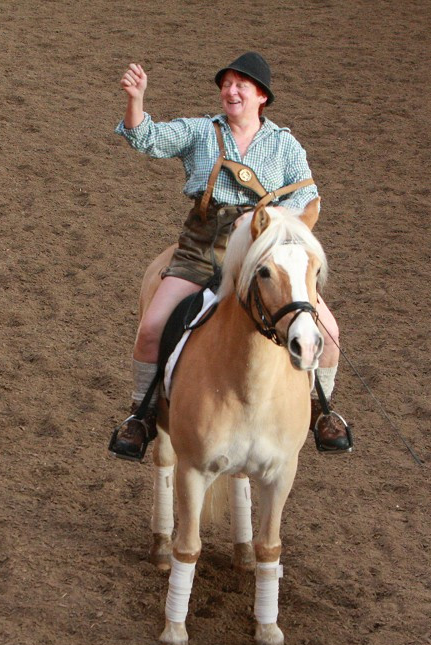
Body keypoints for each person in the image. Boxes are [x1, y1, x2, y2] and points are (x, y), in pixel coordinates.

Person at [108, 52, 352, 461]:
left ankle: (318, 409)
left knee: (328, 333)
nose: (231, 90)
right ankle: (142, 414)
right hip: (203, 249)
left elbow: (308, 197)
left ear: (261, 96)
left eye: (241, 84)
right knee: (152, 326)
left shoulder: (284, 145)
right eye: (226, 84)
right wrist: (136, 99)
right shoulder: (202, 131)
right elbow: (145, 137)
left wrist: (270, 222)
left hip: (263, 253)